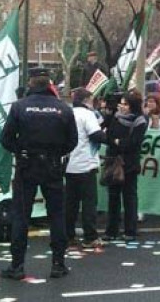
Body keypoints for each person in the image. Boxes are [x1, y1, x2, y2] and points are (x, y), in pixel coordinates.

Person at [0, 74, 78, 280]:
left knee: (21, 215)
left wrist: (21, 150)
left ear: (31, 86)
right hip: (52, 165)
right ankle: (58, 264)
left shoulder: (19, 107)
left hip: (27, 165)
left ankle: (17, 266)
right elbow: (73, 141)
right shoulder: (63, 108)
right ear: (49, 87)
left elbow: (5, 138)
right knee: (56, 215)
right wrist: (57, 152)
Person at [64, 88, 108, 249]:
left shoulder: (68, 113)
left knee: (71, 203)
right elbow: (96, 135)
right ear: (86, 100)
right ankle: (90, 236)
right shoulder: (87, 115)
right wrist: (111, 139)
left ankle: (68, 236)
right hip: (86, 163)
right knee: (89, 202)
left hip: (69, 165)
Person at [102, 91, 148, 242]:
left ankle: (130, 230)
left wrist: (118, 142)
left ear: (133, 106)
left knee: (129, 197)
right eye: (121, 103)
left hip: (129, 163)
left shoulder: (140, 121)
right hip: (113, 161)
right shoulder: (115, 117)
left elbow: (134, 143)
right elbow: (107, 135)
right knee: (113, 197)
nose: (122, 107)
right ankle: (111, 230)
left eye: (126, 104)